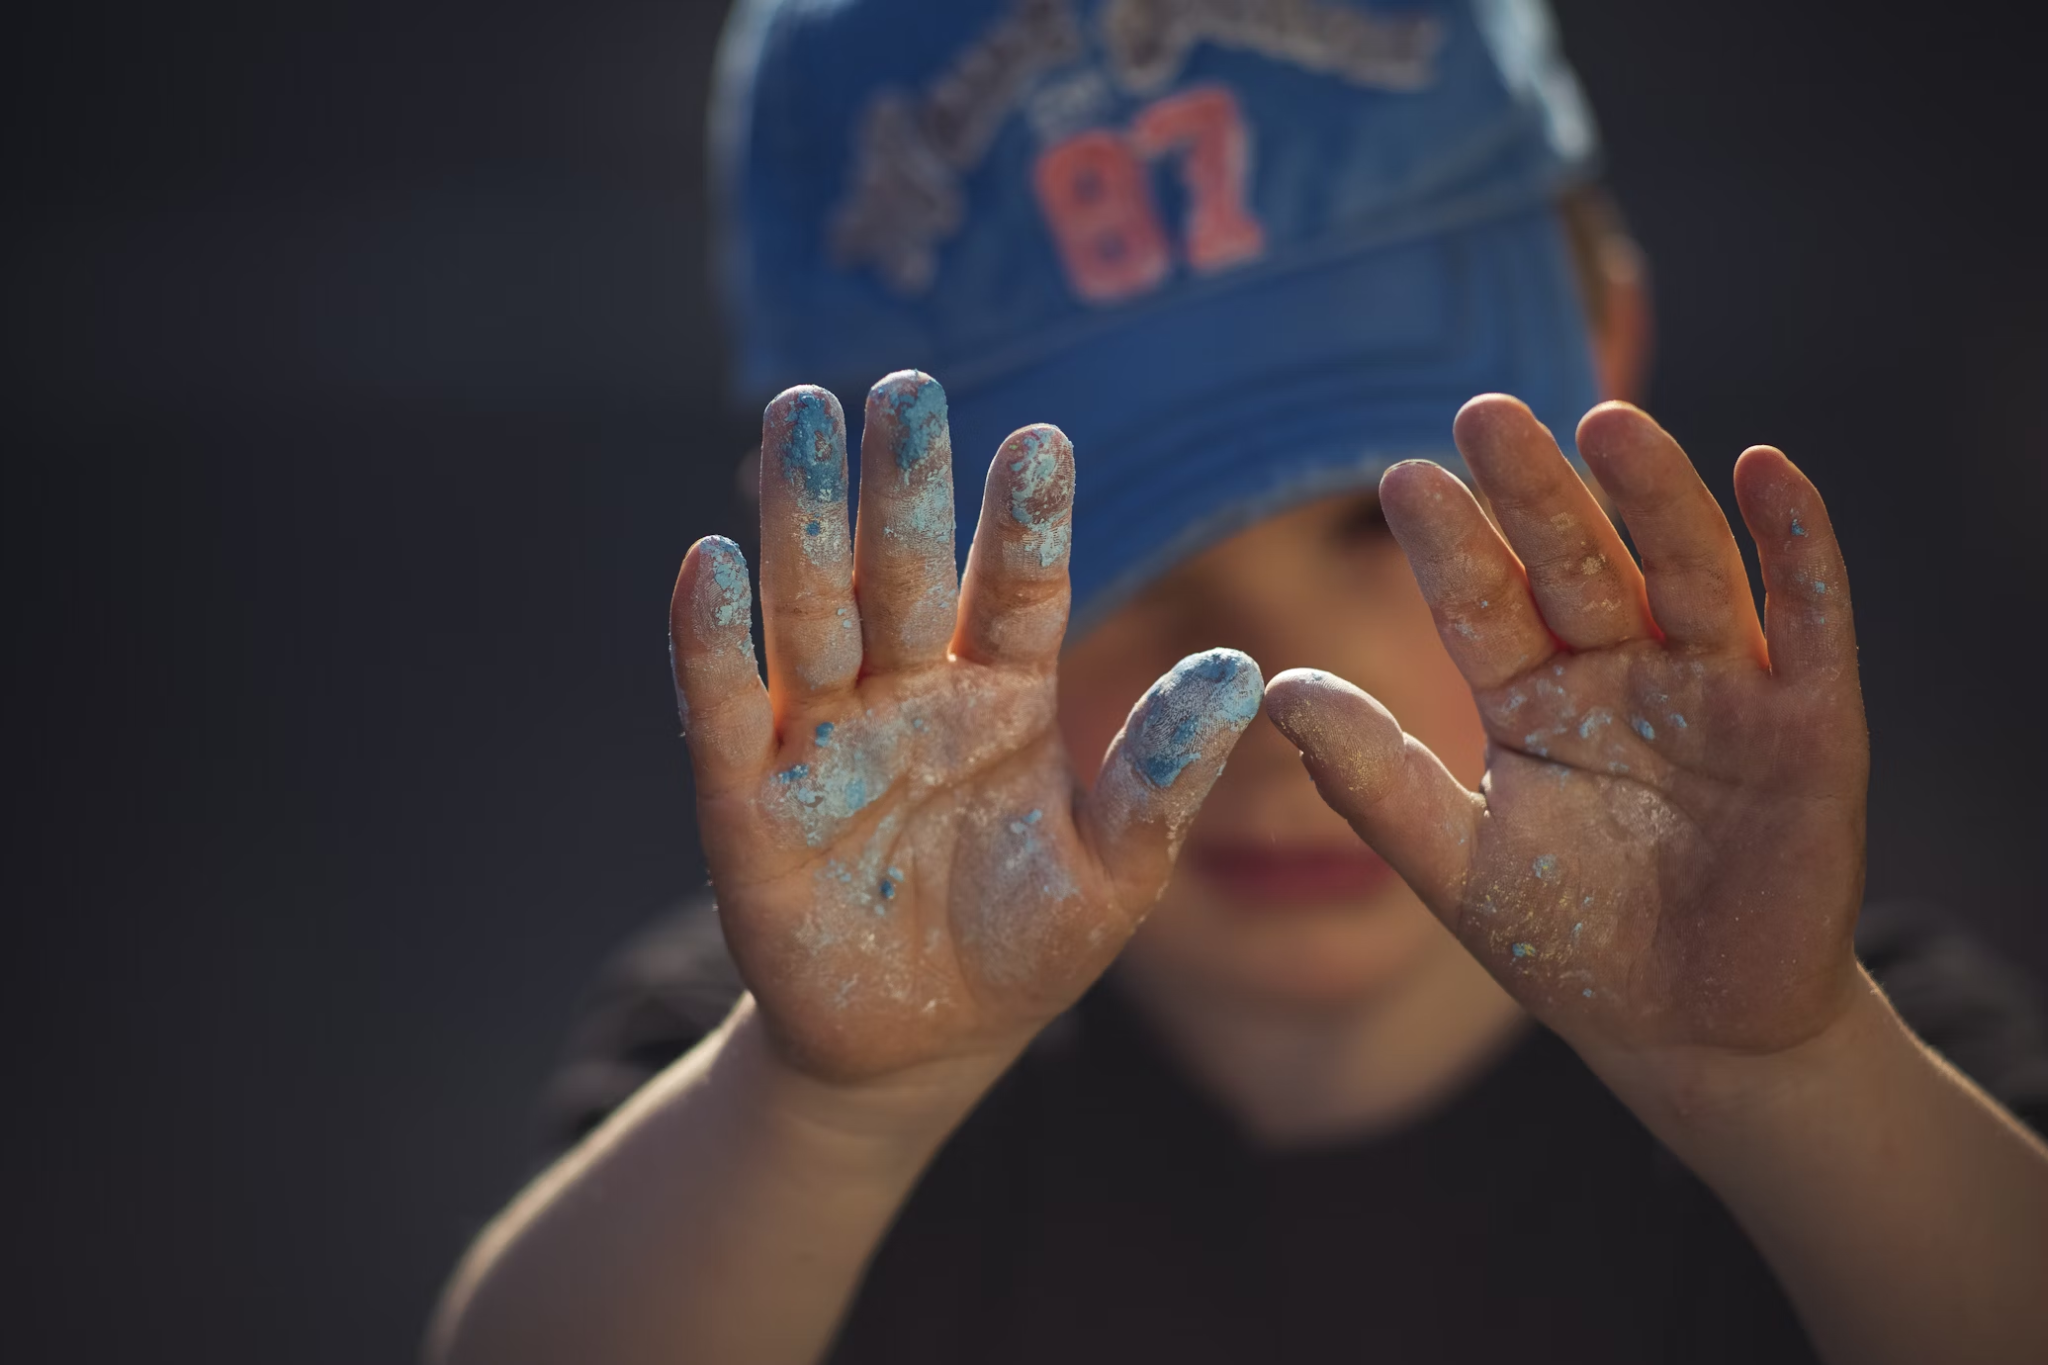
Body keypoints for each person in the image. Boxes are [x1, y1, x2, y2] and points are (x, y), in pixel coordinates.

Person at [429, 2, 2048, 1362]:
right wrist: (832, 1115)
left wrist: (1782, 1080)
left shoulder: (1860, 1096)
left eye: (1380, 522)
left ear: (1604, 352)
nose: (1279, 697)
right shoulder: (773, 1090)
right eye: (1100, 556)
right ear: (852, 565)